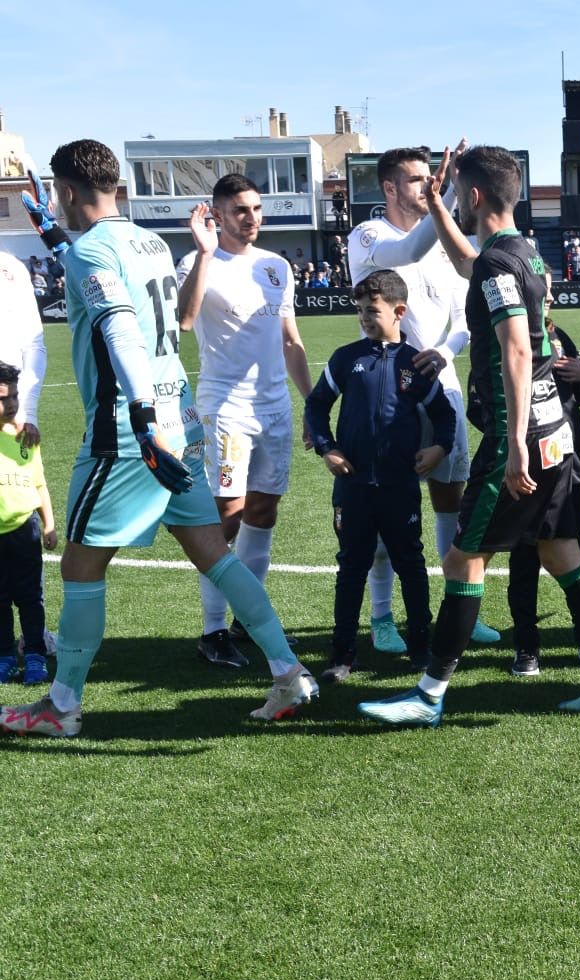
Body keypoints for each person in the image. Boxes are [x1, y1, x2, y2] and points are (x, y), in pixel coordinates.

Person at [1, 140, 316, 738]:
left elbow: (118, 324)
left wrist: (140, 417)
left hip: (127, 432)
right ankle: (287, 670)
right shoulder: (146, 240)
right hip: (184, 421)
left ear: (66, 190)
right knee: (214, 553)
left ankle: (61, 706)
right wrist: (51, 235)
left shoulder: (90, 250)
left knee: (79, 565)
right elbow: (101, 273)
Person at [358, 144, 580, 724]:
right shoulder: (523, 252)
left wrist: (511, 444)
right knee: (562, 553)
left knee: (462, 561)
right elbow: (467, 264)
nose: (455, 199)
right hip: (555, 427)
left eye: (457, 193)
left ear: (475, 196)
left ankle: (428, 696)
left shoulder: (496, 264)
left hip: (522, 432)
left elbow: (514, 348)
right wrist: (437, 205)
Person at [347, 144, 501, 650]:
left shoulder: (439, 240)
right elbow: (407, 251)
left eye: (428, 180)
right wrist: (450, 192)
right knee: (384, 502)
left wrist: (444, 350)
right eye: (416, 181)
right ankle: (383, 617)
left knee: (449, 500)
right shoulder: (370, 236)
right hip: (385, 395)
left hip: (443, 386)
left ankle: (455, 609)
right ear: (388, 188)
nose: (425, 188)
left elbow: (464, 312)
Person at [175, 174, 314, 670]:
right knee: (226, 518)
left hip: (275, 408)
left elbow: (291, 340)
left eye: (256, 208)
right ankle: (212, 632)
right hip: (226, 410)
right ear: (216, 213)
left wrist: (312, 404)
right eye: (239, 210)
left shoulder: (276, 267)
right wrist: (207, 253)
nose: (251, 218)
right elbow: (185, 320)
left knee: (263, 513)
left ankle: (247, 622)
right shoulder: (196, 261)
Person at [304, 270, 455, 683]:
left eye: (372, 310)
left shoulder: (416, 365)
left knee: (411, 563)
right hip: (353, 486)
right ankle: (342, 654)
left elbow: (445, 415)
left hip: (399, 485)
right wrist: (327, 448)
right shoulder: (345, 358)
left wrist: (438, 447)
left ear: (399, 311)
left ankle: (422, 647)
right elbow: (316, 406)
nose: (364, 318)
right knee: (352, 566)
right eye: (360, 311)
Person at [507, 266, 580, 676]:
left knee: (571, 552)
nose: (547, 301)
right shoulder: (507, 341)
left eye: (549, 296)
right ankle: (526, 646)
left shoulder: (560, 338)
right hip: (525, 470)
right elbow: (483, 406)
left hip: (569, 467)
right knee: (523, 561)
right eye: (539, 296)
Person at [0, 362, 55, 686]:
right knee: (0, 599)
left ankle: (34, 654)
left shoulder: (26, 438)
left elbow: (40, 484)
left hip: (24, 529)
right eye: (3, 398)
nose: (11, 404)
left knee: (31, 597)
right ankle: (5, 655)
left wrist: (49, 524)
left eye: (14, 397)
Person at [0, 249, 46, 451]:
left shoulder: (12, 267)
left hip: (9, 418)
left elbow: (33, 344)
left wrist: (27, 410)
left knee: (18, 482)